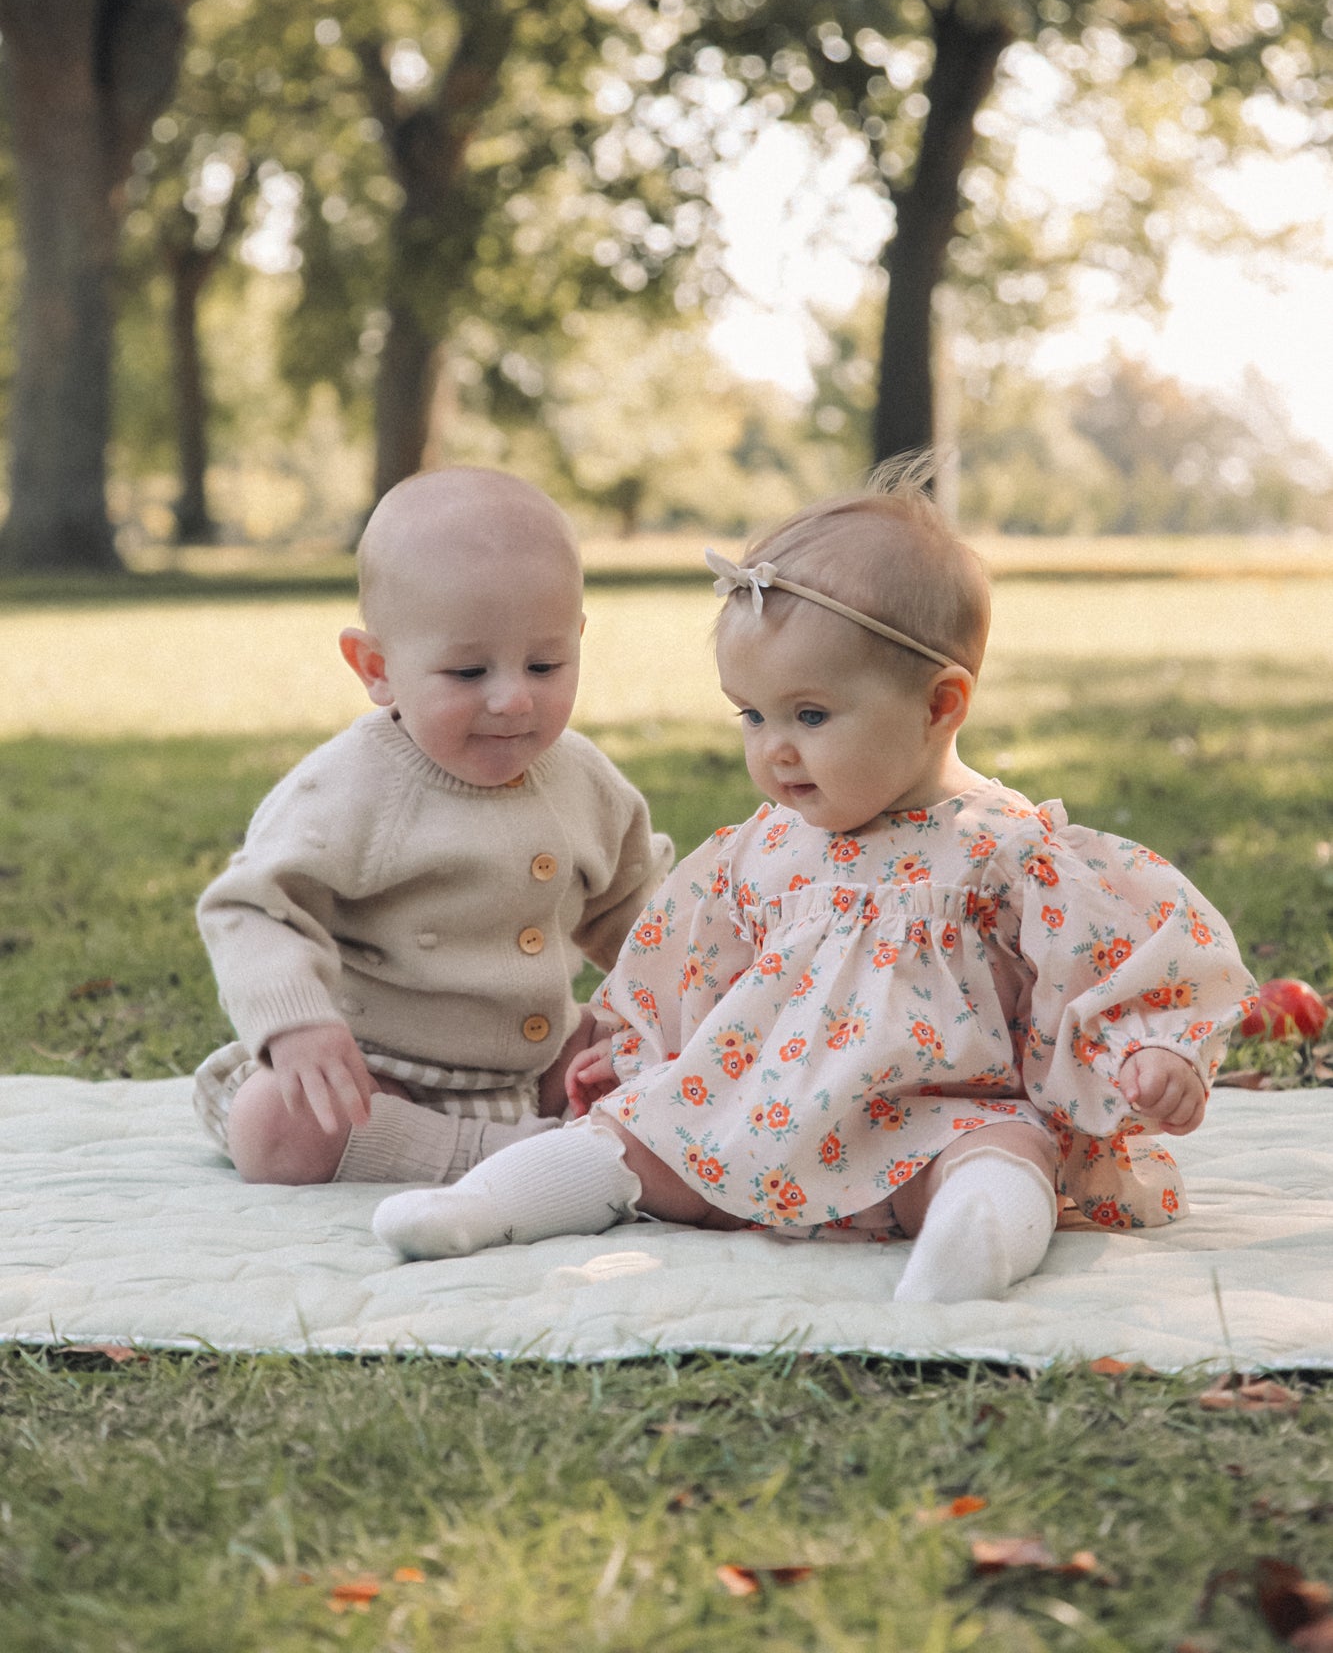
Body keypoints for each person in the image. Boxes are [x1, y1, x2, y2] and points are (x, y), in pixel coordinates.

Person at [372, 463, 1256, 1301]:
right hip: (753, 1118)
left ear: (940, 704)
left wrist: (1151, 1049)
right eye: (751, 715)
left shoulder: (1004, 851)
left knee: (1006, 1148)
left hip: (930, 1120)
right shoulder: (757, 851)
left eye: (809, 715)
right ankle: (487, 1206)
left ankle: (974, 1239)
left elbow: (1118, 953)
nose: (773, 749)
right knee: (631, 1134)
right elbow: (691, 966)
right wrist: (635, 1042)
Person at [193, 467, 672, 1189]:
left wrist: (664, 1018)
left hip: (538, 1062)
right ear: (377, 667)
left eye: (544, 664)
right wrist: (297, 1024)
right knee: (276, 1128)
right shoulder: (353, 787)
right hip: (379, 1071)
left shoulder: (585, 783)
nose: (512, 699)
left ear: (577, 638)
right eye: (467, 671)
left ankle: (565, 1132)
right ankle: (506, 1157)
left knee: (656, 1068)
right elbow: (251, 911)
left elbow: (637, 918)